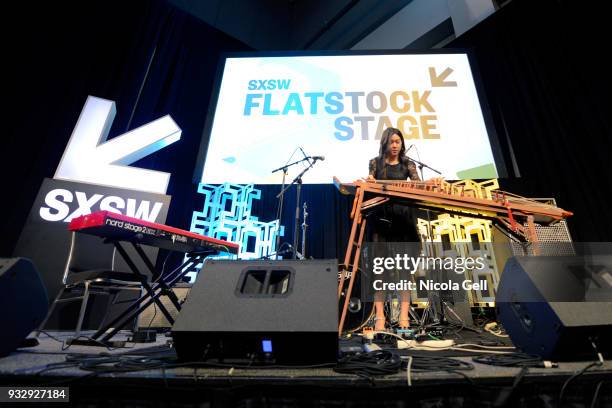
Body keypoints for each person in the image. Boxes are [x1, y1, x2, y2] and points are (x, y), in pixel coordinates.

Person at [367, 127, 420, 331]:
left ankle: (404, 317)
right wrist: (371, 181)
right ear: (385, 143)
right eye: (392, 142)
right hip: (381, 220)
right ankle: (380, 317)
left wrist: (429, 183)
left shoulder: (408, 163)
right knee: (380, 271)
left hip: (403, 220)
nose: (395, 145)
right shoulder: (375, 163)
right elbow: (370, 182)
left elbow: (417, 185)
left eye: (398, 141)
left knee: (405, 272)